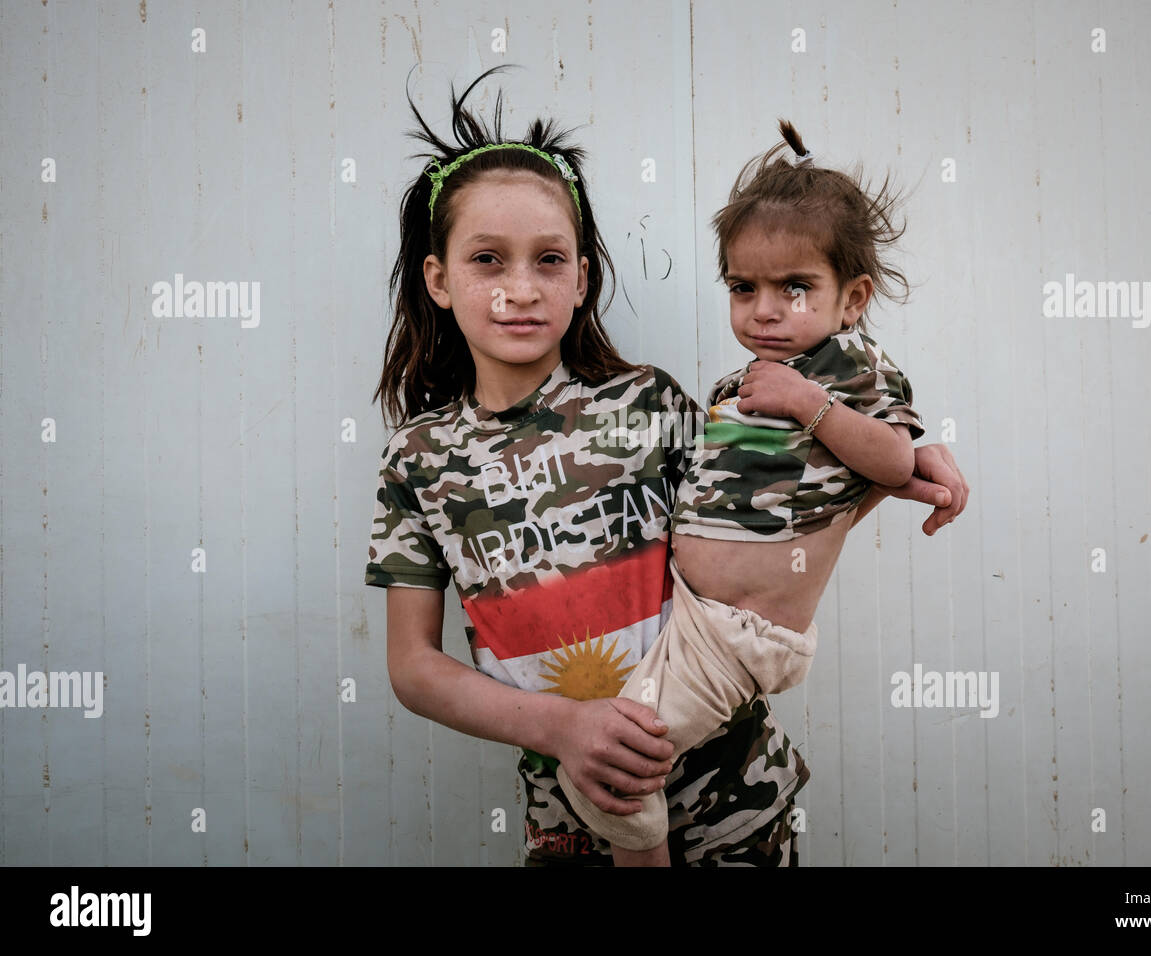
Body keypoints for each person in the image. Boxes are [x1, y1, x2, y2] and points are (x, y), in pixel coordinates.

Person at [365, 65, 970, 866]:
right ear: (438, 280)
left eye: (550, 260)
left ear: (582, 279)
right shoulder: (418, 460)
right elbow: (413, 667)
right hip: (574, 827)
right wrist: (561, 728)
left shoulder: (651, 406)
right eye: (487, 259)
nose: (521, 288)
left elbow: (773, 519)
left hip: (735, 808)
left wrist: (899, 464)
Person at [554, 118, 938, 866]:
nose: (765, 309)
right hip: (693, 614)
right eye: (743, 287)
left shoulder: (849, 368)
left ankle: (646, 850)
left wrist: (809, 404)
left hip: (740, 633)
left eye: (796, 288)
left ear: (852, 298)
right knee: (615, 739)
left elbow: (892, 457)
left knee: (610, 768)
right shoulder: (743, 383)